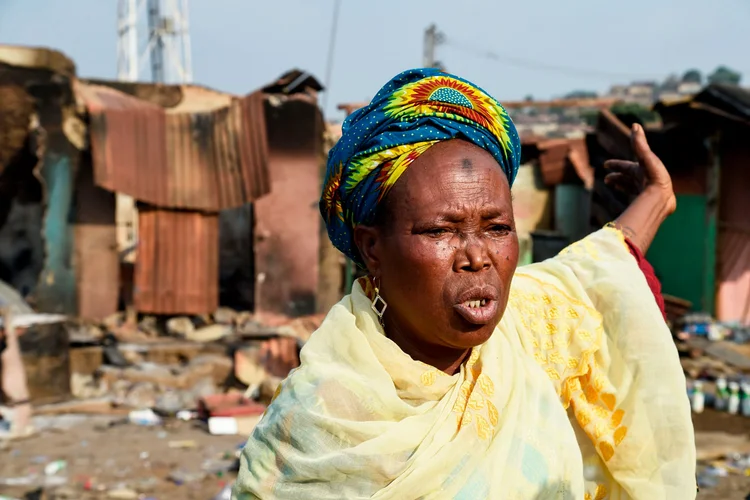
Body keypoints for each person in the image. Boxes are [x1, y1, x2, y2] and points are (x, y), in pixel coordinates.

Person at [233, 69, 696, 499]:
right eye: (439, 232)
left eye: (497, 229)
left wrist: (656, 199)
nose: (478, 257)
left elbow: (592, 274)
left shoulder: (525, 333)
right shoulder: (320, 420)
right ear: (372, 248)